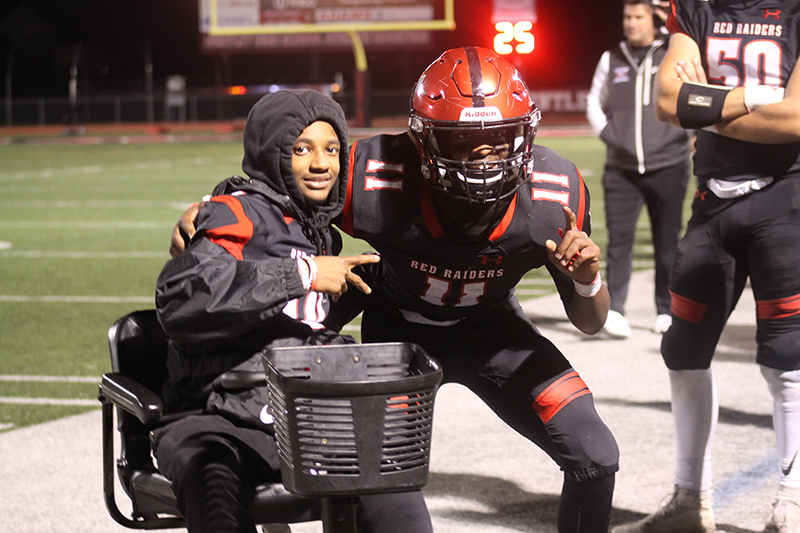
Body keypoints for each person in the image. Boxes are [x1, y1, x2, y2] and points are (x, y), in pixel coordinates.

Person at [175, 47, 620, 533]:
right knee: (369, 484)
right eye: (462, 140)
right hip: (396, 341)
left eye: (498, 135)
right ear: (422, 139)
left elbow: (591, 320)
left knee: (595, 454)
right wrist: (217, 205)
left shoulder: (556, 194)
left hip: (494, 333)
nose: (486, 155)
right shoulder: (374, 175)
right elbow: (280, 192)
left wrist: (586, 279)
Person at [152, 89, 433, 533]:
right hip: (219, 417)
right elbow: (181, 298)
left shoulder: (318, 232)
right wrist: (300, 275)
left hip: (304, 415)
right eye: (301, 149)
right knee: (214, 489)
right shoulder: (234, 213)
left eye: (331, 149)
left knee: (395, 491)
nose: (321, 163)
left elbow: (295, 323)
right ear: (272, 153)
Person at [611, 1, 800, 532]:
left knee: (787, 355)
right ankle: (691, 501)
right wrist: (762, 97)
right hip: (713, 200)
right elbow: (669, 101)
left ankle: (791, 502)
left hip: (785, 200)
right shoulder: (698, 7)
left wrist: (711, 103)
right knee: (683, 349)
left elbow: (798, 116)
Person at [586, 0, 691, 338]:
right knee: (619, 243)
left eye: (637, 17)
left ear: (653, 19)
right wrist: (610, 136)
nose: (630, 23)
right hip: (621, 169)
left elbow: (692, 92)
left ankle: (666, 308)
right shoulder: (611, 57)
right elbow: (594, 101)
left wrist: (688, 135)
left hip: (669, 165)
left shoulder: (672, 52)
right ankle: (614, 310)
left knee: (667, 243)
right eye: (626, 16)